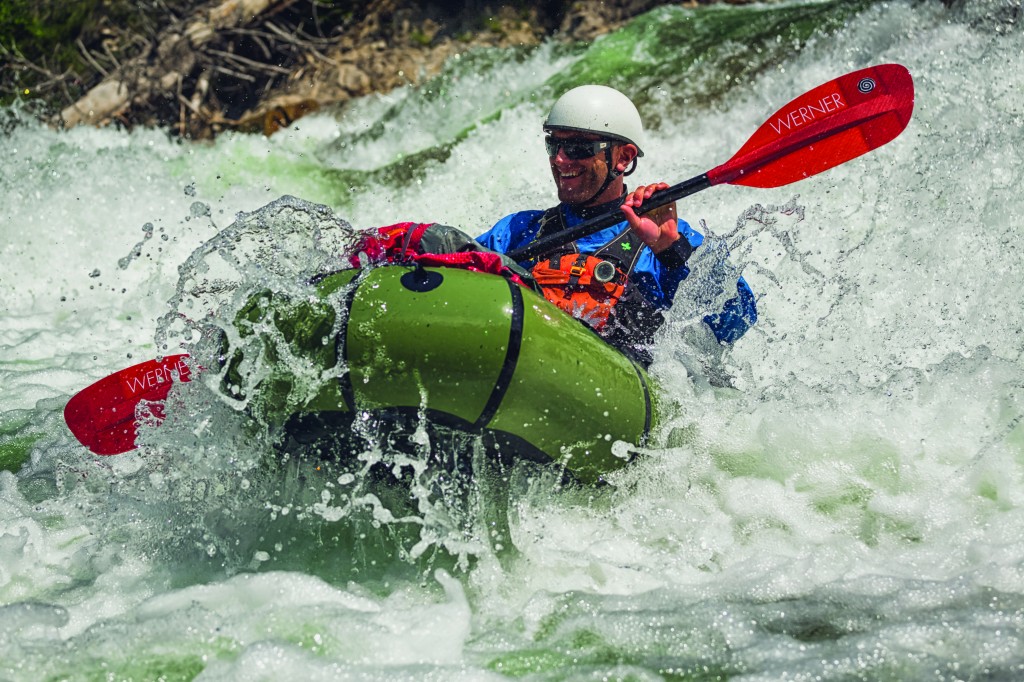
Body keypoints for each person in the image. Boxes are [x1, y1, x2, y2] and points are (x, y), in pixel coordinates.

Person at [475, 84, 757, 366]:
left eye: (577, 148)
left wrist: (671, 253)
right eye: (554, 145)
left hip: (621, 388)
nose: (560, 159)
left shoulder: (666, 237)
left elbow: (736, 323)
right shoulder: (518, 231)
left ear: (623, 157)